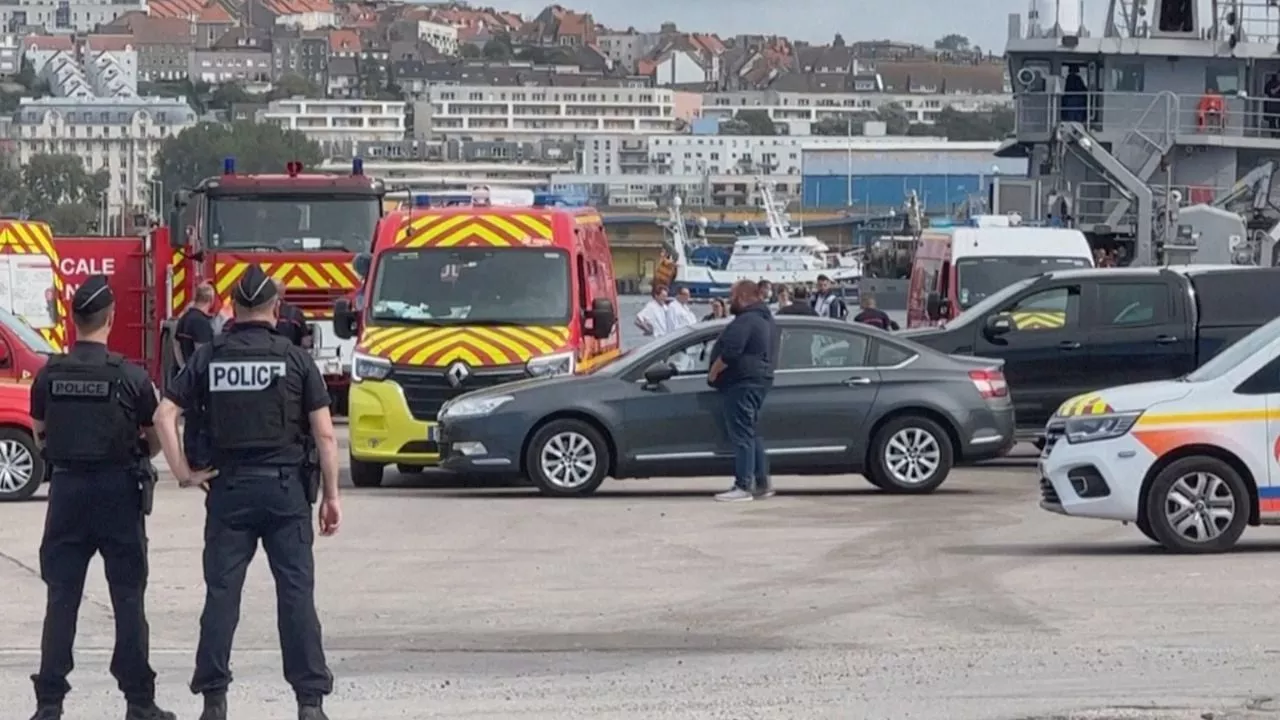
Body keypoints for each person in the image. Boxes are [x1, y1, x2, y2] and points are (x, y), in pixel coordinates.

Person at [153, 265, 342, 720]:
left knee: (222, 595)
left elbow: (164, 415)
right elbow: (325, 436)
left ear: (232, 309)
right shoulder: (296, 359)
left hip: (228, 490)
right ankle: (309, 703)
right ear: (276, 309)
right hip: (286, 492)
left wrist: (184, 473)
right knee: (295, 595)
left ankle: (214, 700)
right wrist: (332, 496)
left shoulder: (210, 355)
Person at [29, 275, 175, 720]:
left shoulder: (48, 374)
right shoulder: (130, 377)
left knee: (62, 599)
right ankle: (139, 702)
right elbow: (152, 439)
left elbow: (40, 436)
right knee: (128, 600)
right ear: (110, 319)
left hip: (68, 495)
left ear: (73, 321)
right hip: (118, 494)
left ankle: (50, 704)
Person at [707, 279, 777, 502]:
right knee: (751, 432)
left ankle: (743, 485)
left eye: (732, 295)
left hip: (741, 382)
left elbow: (731, 352)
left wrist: (714, 372)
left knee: (742, 435)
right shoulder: (765, 320)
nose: (730, 300)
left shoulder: (746, 321)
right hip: (757, 380)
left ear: (744, 297)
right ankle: (761, 482)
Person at [175, 282, 217, 370]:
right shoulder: (200, 322)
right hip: (197, 376)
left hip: (187, 371)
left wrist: (184, 368)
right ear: (211, 300)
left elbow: (177, 346)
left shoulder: (183, 318)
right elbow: (203, 354)